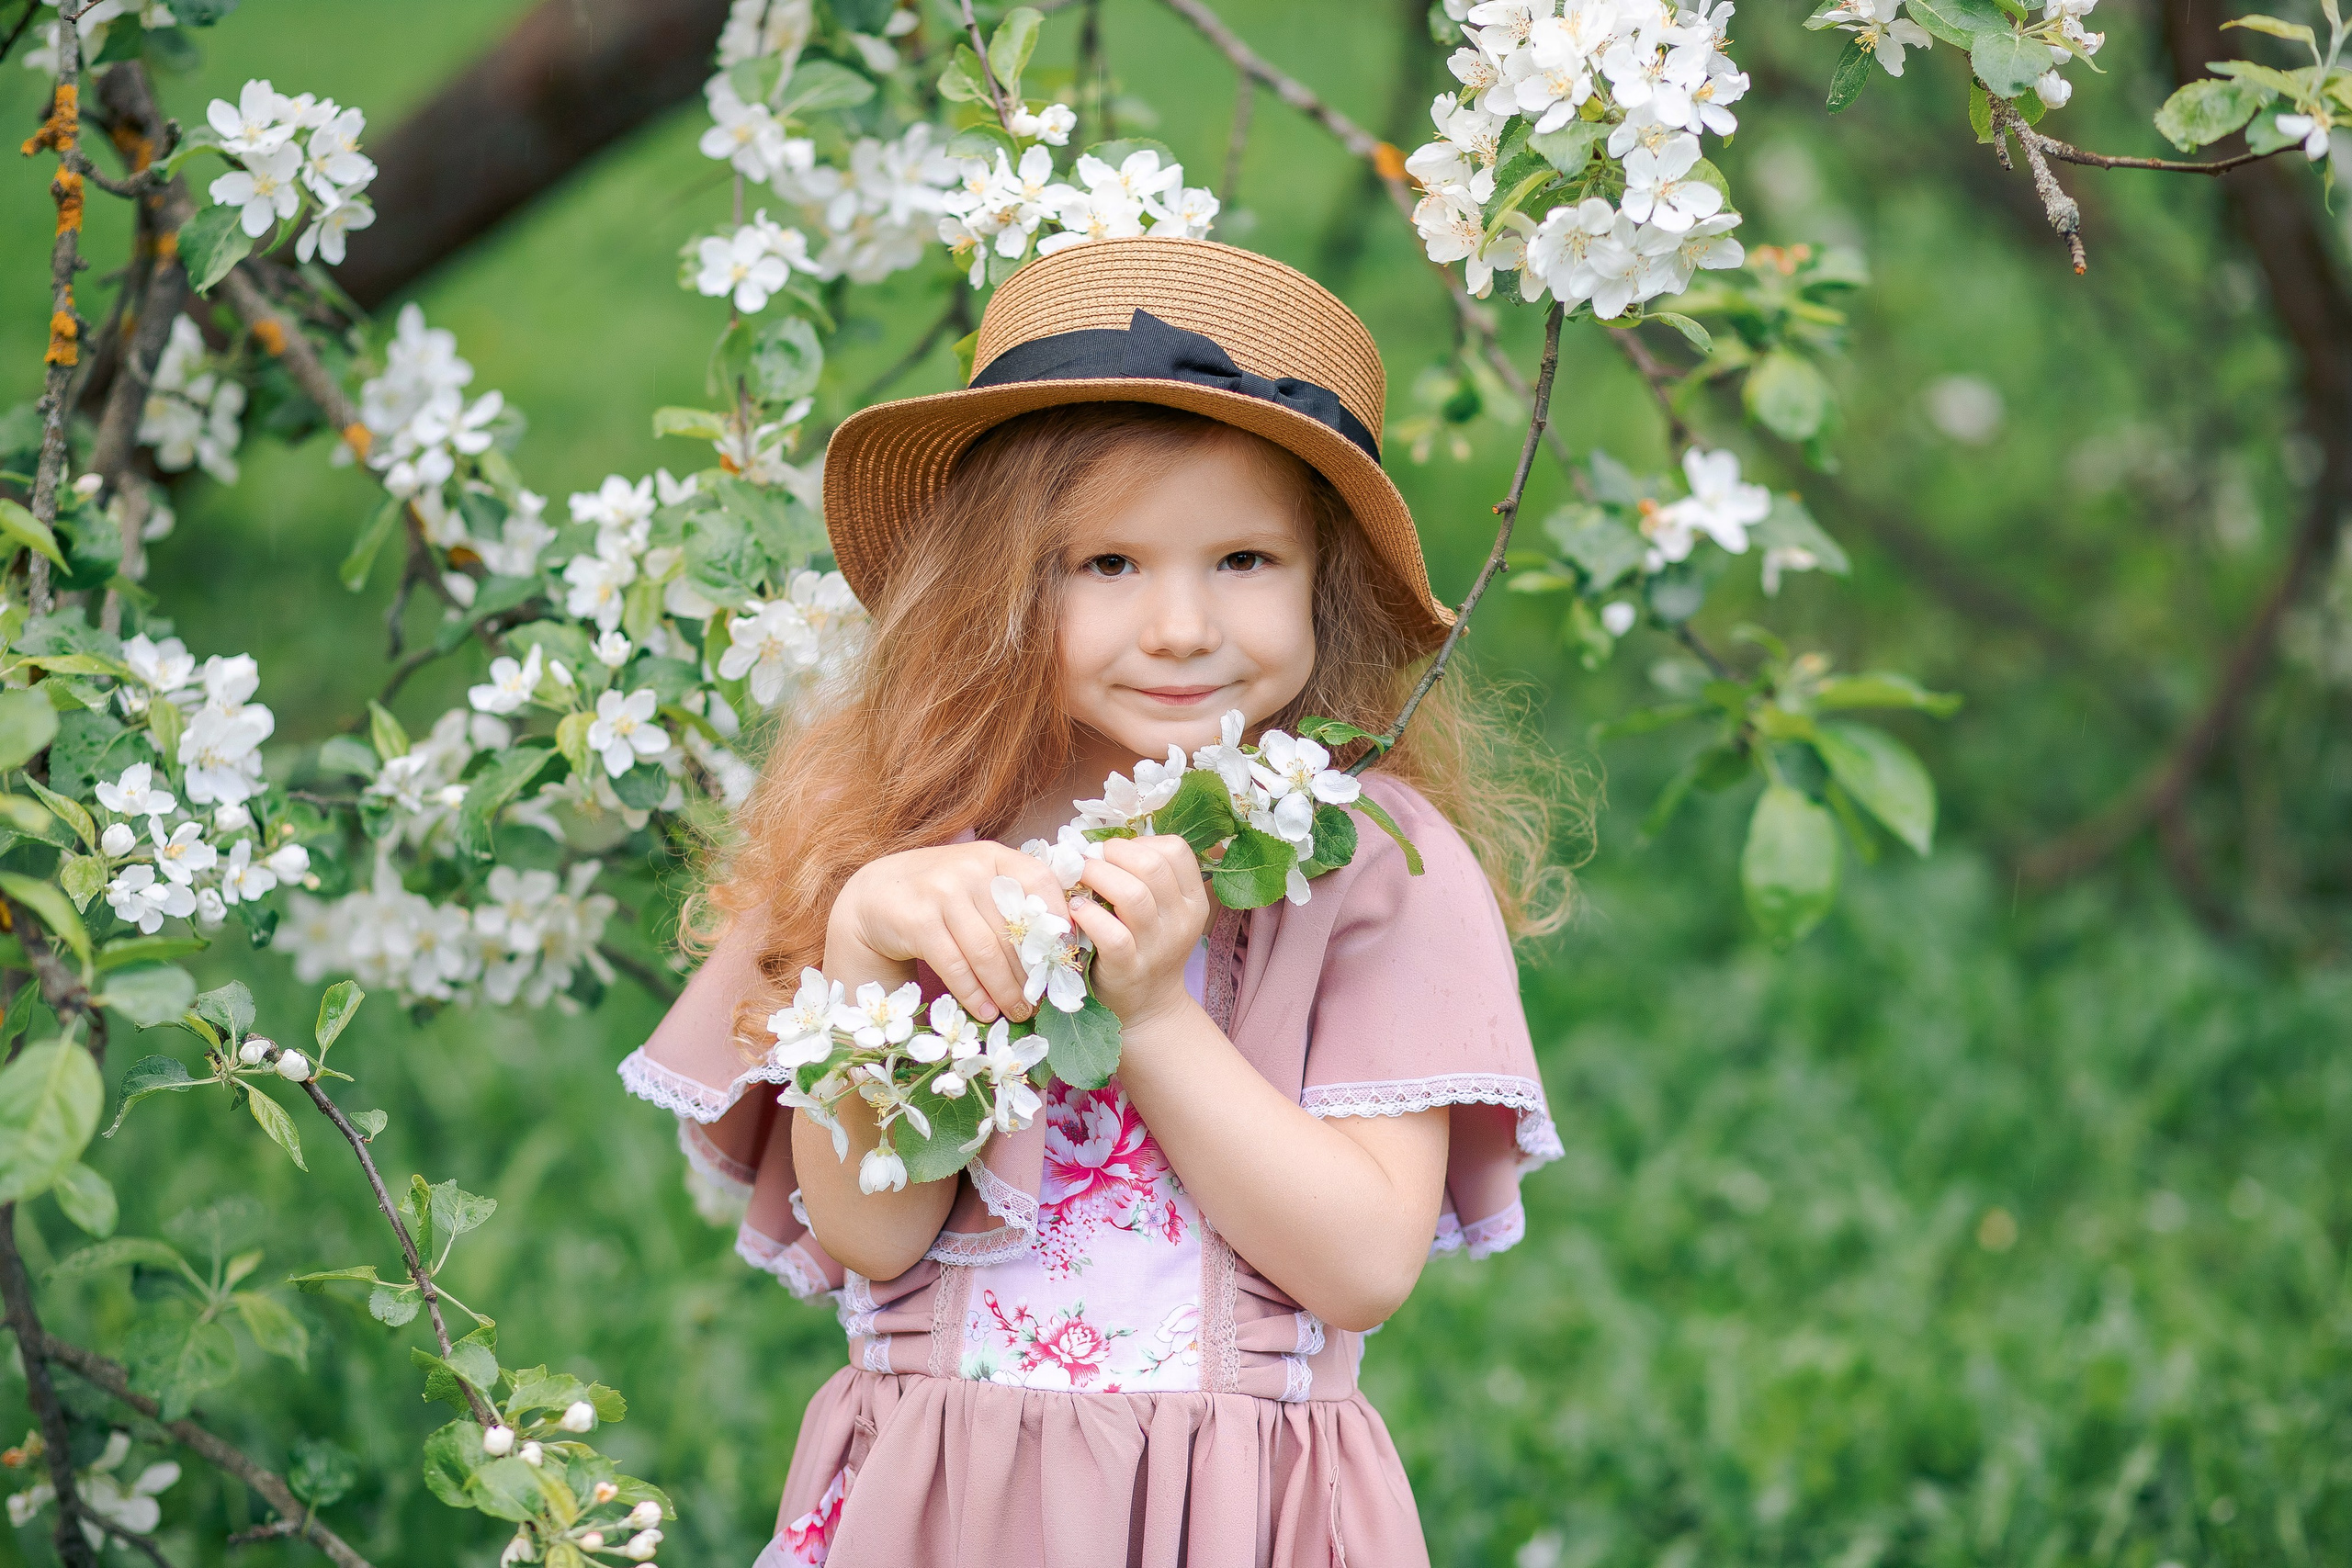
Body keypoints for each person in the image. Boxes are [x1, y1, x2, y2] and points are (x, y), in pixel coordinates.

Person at [620, 236, 1568, 1567]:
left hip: (1232, 1516)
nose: (1180, 625)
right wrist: (861, 942)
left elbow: (1362, 1266)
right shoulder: (912, 844)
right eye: (1108, 564)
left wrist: (1156, 1019)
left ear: (1328, 578)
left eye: (1245, 559)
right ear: (1003, 581)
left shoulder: (1364, 862)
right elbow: (874, 1233)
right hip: (950, 1506)